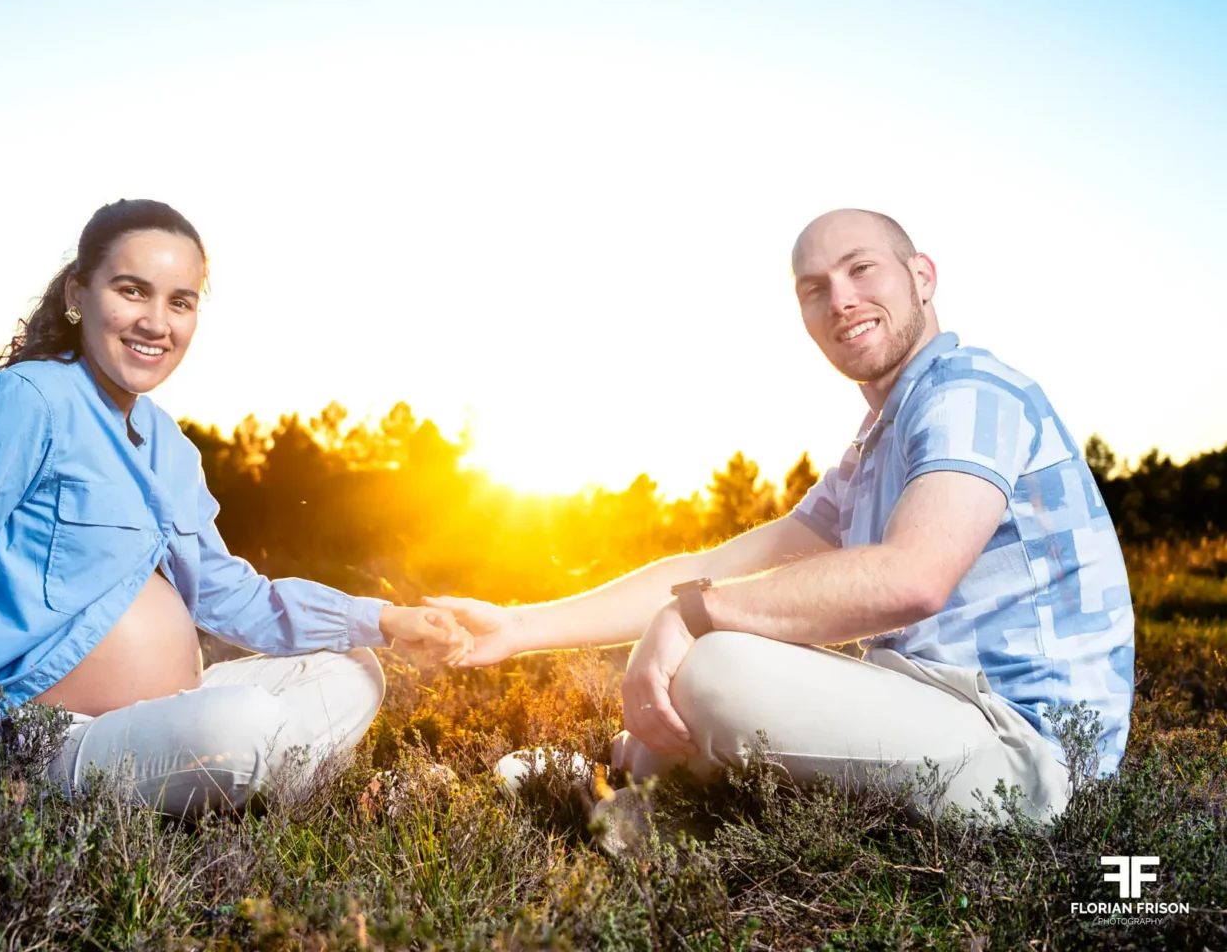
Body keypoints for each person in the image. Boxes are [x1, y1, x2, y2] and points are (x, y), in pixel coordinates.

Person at [429, 209, 1134, 824]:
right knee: (708, 654)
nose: (842, 300)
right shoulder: (876, 446)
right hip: (941, 715)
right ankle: (644, 787)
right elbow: (709, 570)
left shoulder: (970, 393)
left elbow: (913, 577)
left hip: (1033, 757)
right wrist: (521, 625)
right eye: (814, 289)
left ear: (922, 275)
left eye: (862, 270)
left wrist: (690, 616)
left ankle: (639, 796)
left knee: (711, 665)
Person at [0, 198, 471, 826]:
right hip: (21, 739)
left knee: (352, 666)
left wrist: (384, 619)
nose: (156, 322)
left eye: (182, 302)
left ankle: (241, 777)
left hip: (150, 719)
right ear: (78, 293)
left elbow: (233, 598)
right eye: (131, 290)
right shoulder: (20, 402)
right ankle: (284, 786)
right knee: (238, 728)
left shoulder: (168, 444)